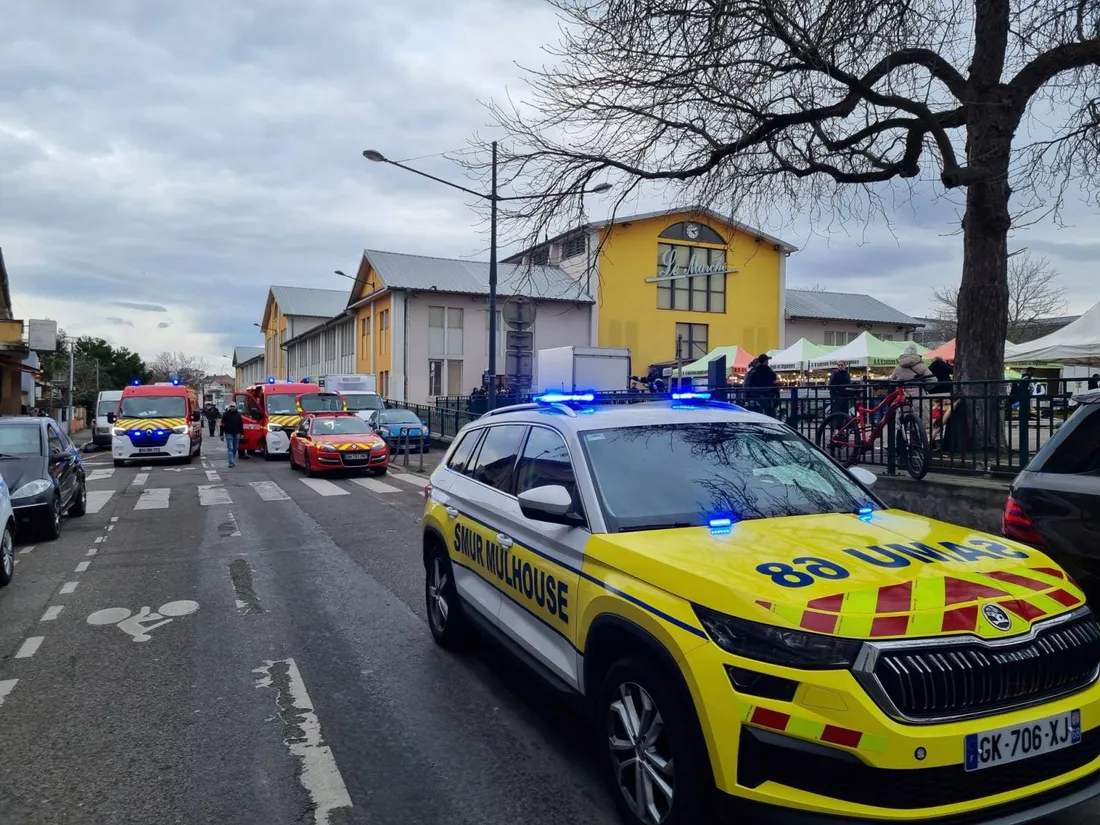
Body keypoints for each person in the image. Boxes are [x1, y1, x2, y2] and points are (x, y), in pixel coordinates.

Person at [220, 401, 244, 468]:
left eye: (233, 406)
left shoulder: (238, 415)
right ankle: (231, 462)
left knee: (235, 448)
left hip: (236, 434)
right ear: (229, 407)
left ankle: (232, 459)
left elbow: (240, 424)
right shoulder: (226, 414)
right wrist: (221, 434)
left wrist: (242, 433)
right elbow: (222, 425)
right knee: (230, 448)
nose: (232, 408)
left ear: (235, 407)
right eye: (231, 406)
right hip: (228, 433)